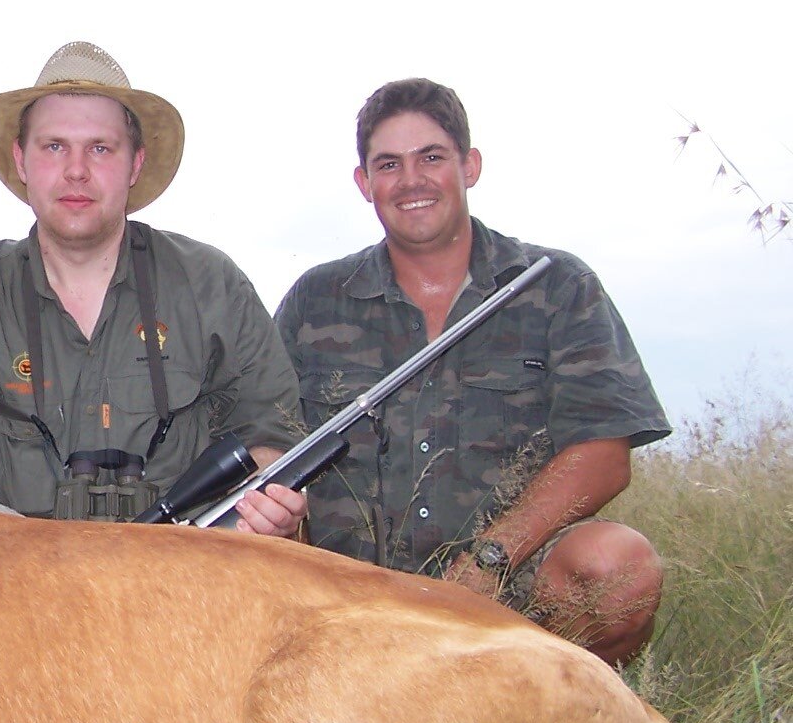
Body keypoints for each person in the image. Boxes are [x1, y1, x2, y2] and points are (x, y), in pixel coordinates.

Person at [275, 78, 671, 664]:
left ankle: (548, 720)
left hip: (503, 591)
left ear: (470, 165)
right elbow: (271, 446)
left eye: (431, 157)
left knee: (618, 565)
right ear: (364, 183)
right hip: (351, 598)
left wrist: (491, 559)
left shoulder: (557, 284)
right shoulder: (315, 299)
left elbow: (605, 455)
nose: (411, 180)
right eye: (389, 164)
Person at [0, 41, 304, 532]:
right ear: (21, 160)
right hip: (20, 579)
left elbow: (271, 438)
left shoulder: (212, 285)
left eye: (100, 148)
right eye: (54, 146)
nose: (76, 170)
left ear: (135, 165)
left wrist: (268, 503)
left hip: (186, 581)